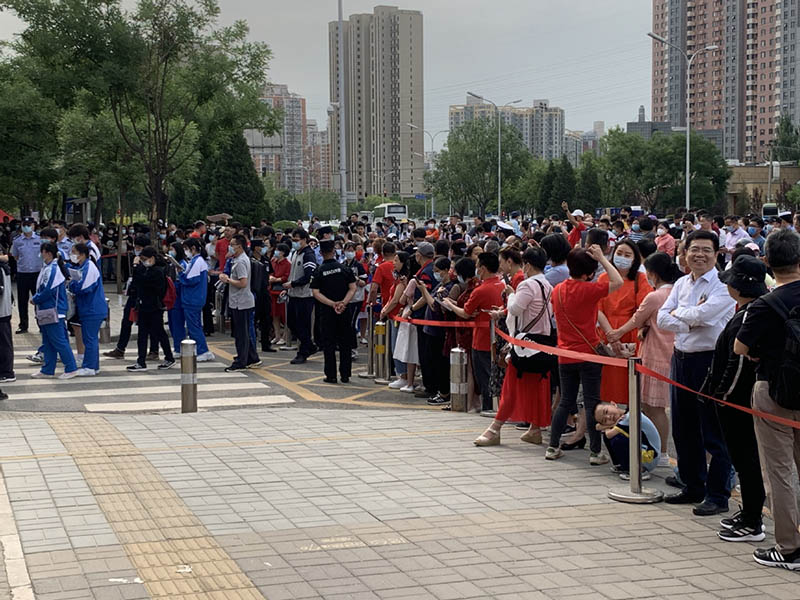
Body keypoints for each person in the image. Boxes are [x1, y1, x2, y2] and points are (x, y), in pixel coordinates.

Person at [734, 229, 800, 570]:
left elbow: (739, 348)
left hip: (773, 389)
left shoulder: (765, 304)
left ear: (767, 262)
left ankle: (789, 548)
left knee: (779, 471)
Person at [657, 230, 735, 516]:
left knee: (714, 432)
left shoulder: (722, 284)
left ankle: (718, 494)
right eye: (694, 249)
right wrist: (689, 317)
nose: (699, 255)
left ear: (716, 254)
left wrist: (684, 315)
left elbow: (708, 315)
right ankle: (693, 485)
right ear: (684, 253)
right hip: (681, 359)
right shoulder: (680, 283)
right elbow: (662, 317)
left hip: (710, 361)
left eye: (706, 250)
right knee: (684, 426)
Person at [697, 255, 767, 543]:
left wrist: (722, 397)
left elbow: (737, 365)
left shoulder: (750, 316)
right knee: (744, 459)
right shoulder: (747, 311)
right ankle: (750, 511)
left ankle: (753, 519)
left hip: (738, 403)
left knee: (747, 460)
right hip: (734, 400)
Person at [546, 245, 623, 463]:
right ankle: (596, 452)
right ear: (589, 272)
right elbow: (617, 282)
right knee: (592, 403)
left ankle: (552, 447)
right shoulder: (590, 290)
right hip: (589, 354)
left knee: (565, 401)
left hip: (565, 354)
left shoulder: (557, 290)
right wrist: (603, 259)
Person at [474, 247, 553, 446]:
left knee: (511, 386)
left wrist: (510, 294)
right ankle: (534, 428)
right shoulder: (547, 285)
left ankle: (495, 429)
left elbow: (516, 309)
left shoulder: (527, 285)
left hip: (524, 345)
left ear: (527, 264)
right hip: (541, 343)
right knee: (537, 387)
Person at [607, 252, 680, 465]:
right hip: (668, 353)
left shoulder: (655, 296)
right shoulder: (677, 292)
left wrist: (616, 333)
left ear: (653, 274)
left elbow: (636, 319)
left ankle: (662, 451)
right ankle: (657, 448)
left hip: (655, 356)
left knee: (654, 408)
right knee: (650, 407)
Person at [442, 252, 506, 413]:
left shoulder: (481, 290)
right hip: (498, 338)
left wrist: (449, 304)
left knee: (484, 378)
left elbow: (465, 312)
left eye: (478, 266)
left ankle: (488, 408)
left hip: (482, 339)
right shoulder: (503, 285)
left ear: (483, 268)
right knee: (496, 376)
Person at [596, 239, 652, 403]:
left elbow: (643, 309)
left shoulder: (640, 279)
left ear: (635, 259)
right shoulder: (604, 278)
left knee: (630, 382)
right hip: (607, 332)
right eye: (619, 253)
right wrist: (611, 334)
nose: (622, 257)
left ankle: (630, 419)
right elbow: (598, 309)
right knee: (607, 382)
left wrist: (620, 332)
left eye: (628, 255)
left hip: (630, 332)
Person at [104, 235, 158, 360]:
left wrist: (136, 266)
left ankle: (154, 350)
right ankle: (120, 348)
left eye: (139, 247)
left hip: (146, 297)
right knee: (126, 320)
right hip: (134, 295)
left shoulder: (151, 262)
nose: (136, 250)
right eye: (135, 247)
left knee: (150, 325)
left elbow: (144, 277)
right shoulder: (135, 258)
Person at [310, 240, 357, 383]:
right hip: (344, 310)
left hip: (327, 311)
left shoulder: (318, 271)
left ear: (320, 253)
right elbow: (353, 288)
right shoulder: (344, 269)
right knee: (345, 343)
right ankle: (345, 374)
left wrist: (332, 304)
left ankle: (331, 375)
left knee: (328, 344)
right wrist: (343, 303)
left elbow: (316, 293)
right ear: (334, 251)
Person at [29, 242, 78, 379]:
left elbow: (49, 289)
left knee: (58, 340)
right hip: (46, 309)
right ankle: (47, 369)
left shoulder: (54, 269)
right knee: (48, 341)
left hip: (54, 310)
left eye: (42, 251)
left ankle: (71, 368)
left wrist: (36, 299)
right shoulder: (48, 267)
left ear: (48, 253)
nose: (40, 254)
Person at [126, 247, 175, 371]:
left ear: (152, 258)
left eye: (145, 259)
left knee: (159, 332)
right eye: (141, 260)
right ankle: (141, 361)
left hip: (154, 307)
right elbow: (136, 283)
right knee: (142, 334)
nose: (143, 262)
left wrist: (136, 268)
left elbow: (146, 283)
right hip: (143, 306)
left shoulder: (158, 271)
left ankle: (169, 357)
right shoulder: (145, 269)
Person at [219, 235, 259, 371]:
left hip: (241, 302)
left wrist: (228, 280)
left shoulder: (241, 261)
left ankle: (242, 361)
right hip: (239, 300)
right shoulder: (236, 259)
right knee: (244, 332)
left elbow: (243, 283)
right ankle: (251, 357)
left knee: (241, 334)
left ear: (239, 246)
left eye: (232, 244)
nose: (230, 246)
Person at [67, 243, 106, 376]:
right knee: (89, 338)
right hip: (87, 308)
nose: (72, 255)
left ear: (82, 254)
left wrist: (72, 285)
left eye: (74, 252)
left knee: (90, 338)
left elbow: (84, 287)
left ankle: (90, 367)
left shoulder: (89, 267)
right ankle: (92, 366)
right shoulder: (81, 267)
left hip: (93, 308)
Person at [595, 402, 660, 480]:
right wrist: (611, 425)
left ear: (613, 404)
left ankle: (639, 471)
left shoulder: (628, 417)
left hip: (650, 457)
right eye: (604, 420)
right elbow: (597, 427)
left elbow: (608, 434)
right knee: (611, 437)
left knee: (616, 439)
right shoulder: (626, 415)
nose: (608, 417)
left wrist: (606, 426)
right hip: (645, 453)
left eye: (606, 411)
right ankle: (622, 466)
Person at [285, 228, 318, 364]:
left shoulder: (308, 255)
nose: (294, 242)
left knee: (302, 325)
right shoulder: (295, 253)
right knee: (292, 323)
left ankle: (303, 352)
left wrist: (293, 284)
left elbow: (309, 276)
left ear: (305, 240)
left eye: (297, 240)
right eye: (293, 240)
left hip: (305, 295)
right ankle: (309, 346)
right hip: (293, 294)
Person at [179, 238, 214, 361]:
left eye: (186, 249)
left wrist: (180, 275)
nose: (185, 251)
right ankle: (201, 349)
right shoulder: (196, 260)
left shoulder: (198, 261)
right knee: (195, 325)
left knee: (194, 327)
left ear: (193, 248)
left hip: (193, 299)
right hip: (193, 298)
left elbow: (191, 280)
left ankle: (203, 350)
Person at [10, 216, 42, 333]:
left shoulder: (39, 239)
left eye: (29, 225)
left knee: (38, 300)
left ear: (33, 226)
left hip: (37, 273)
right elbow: (15, 255)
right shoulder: (17, 240)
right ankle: (23, 325)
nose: (27, 227)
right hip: (23, 273)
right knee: (22, 300)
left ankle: (41, 324)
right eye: (24, 225)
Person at [270, 243, 291, 345]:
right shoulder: (273, 262)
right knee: (275, 315)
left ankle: (285, 336)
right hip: (272, 290)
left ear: (283, 252)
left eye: (278, 250)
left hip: (281, 291)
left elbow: (287, 276)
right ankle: (277, 335)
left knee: (284, 315)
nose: (276, 252)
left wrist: (277, 279)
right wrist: (271, 278)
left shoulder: (287, 264)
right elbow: (270, 272)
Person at [0, 250, 13, 383]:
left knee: (4, 344)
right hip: (5, 310)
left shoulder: (1, 269)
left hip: (2, 312)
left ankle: (7, 372)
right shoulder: (4, 267)